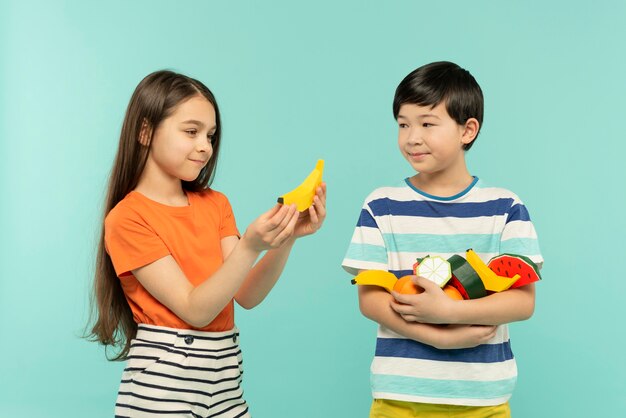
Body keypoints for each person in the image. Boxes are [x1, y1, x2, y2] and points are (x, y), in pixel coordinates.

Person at [88, 70, 326, 417]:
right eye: (191, 131)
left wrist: (283, 239)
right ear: (145, 131)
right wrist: (250, 246)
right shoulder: (127, 219)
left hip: (225, 379)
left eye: (210, 135)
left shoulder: (215, 204)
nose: (205, 146)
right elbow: (195, 309)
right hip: (163, 386)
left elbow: (246, 293)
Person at [342, 61, 542, 417]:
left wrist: (452, 311)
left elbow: (522, 302)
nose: (411, 137)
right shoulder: (381, 205)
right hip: (399, 396)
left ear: (467, 130)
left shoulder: (506, 206)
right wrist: (440, 334)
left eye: (427, 124)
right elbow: (370, 300)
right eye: (403, 124)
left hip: (483, 398)